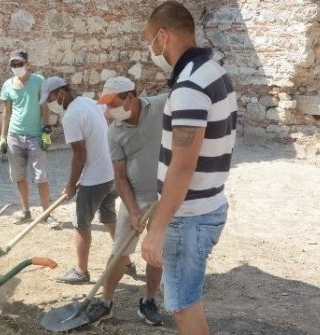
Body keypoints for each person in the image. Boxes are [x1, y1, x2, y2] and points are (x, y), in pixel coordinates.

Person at [141, 2, 237, 335]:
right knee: (187, 301)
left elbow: (182, 168)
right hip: (205, 205)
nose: (150, 50)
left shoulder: (189, 89)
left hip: (190, 216)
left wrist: (157, 228)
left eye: (150, 40)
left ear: (163, 37)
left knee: (183, 307)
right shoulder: (213, 69)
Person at [83, 76, 168, 326]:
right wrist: (132, 211)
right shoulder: (114, 132)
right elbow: (119, 177)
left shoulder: (161, 104)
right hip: (137, 196)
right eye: (106, 105)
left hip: (166, 195)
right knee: (120, 251)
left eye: (113, 103)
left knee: (156, 253)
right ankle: (106, 303)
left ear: (130, 98)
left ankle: (149, 301)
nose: (109, 111)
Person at [40, 76, 117, 284]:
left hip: (95, 178)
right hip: (110, 172)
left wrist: (72, 184)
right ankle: (124, 260)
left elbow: (79, 154)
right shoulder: (88, 102)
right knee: (109, 216)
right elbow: (107, 118)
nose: (50, 104)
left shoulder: (71, 116)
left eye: (50, 99)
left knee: (81, 223)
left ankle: (81, 271)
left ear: (62, 93)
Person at [0, 49, 59, 228]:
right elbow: (6, 111)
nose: (16, 67)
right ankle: (26, 212)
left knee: (41, 176)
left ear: (27, 65)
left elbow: (45, 108)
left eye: (19, 64)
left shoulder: (38, 81)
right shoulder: (8, 85)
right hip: (14, 136)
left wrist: (46, 131)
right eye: (13, 65)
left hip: (35, 136)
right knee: (19, 176)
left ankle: (47, 214)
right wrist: (2, 136)